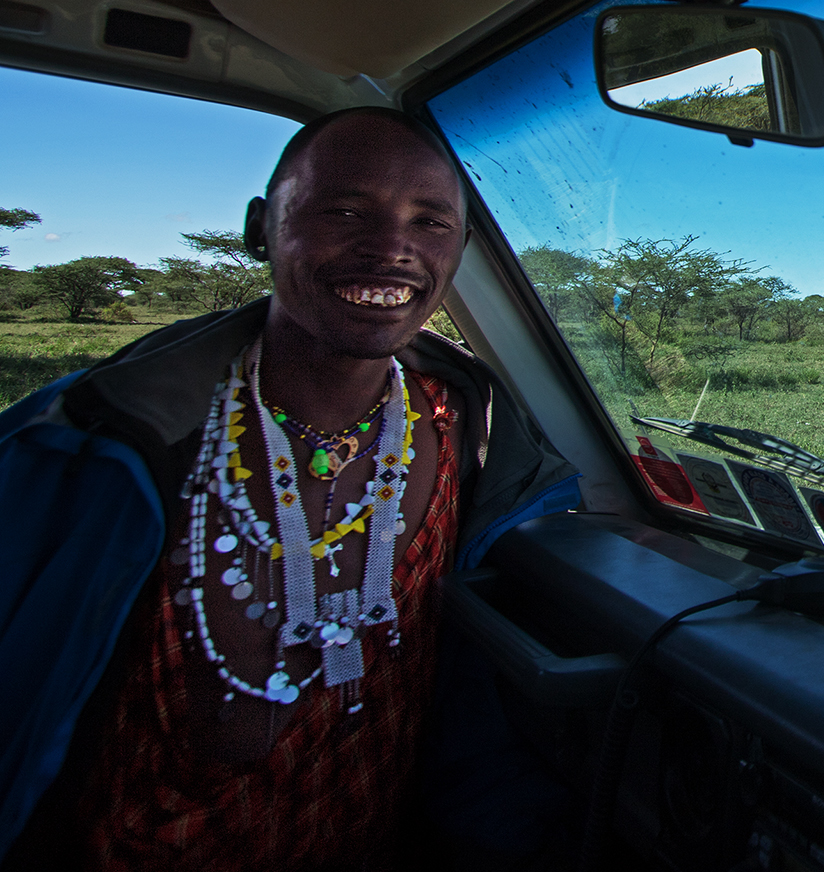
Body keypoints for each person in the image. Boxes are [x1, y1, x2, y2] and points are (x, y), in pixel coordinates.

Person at [0, 107, 582, 870]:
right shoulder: (86, 447)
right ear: (260, 229)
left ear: (461, 250)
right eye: (343, 210)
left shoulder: (481, 438)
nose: (393, 248)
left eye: (431, 222)